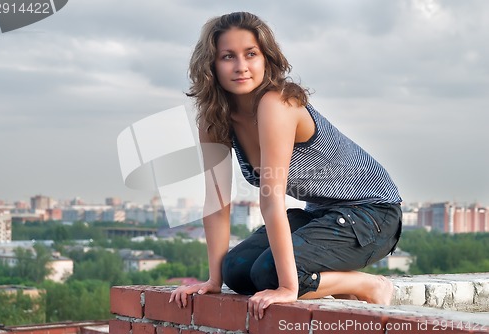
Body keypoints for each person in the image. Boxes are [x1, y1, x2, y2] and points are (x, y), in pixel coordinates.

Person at [169, 11, 402, 320]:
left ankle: (367, 285)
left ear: (266, 58)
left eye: (251, 54)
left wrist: (289, 288)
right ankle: (331, 283)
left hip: (373, 216)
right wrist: (214, 281)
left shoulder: (276, 103)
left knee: (270, 275)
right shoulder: (214, 120)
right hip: (320, 216)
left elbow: (271, 199)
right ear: (211, 65)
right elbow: (216, 202)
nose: (241, 66)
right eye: (228, 56)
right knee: (236, 272)